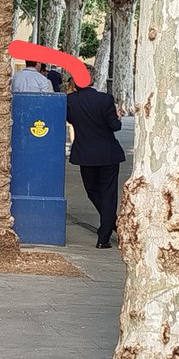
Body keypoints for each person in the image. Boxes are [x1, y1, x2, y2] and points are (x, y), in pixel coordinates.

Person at [67, 79, 126, 248]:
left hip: (85, 153)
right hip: (108, 153)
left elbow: (70, 120)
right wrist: (118, 118)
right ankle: (106, 232)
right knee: (109, 193)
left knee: (92, 191)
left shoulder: (70, 101)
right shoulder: (105, 99)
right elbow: (114, 126)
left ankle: (107, 229)